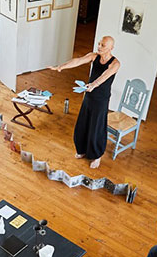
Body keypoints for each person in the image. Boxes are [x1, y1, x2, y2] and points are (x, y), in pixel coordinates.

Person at [47, 35, 121, 169]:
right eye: (99, 43)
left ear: (111, 48)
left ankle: (96, 155)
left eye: (103, 45)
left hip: (101, 99)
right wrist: (61, 67)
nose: (99, 47)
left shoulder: (115, 63)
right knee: (83, 122)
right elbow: (78, 60)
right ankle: (81, 149)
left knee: (96, 127)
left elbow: (105, 76)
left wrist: (94, 84)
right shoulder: (94, 56)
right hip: (89, 95)